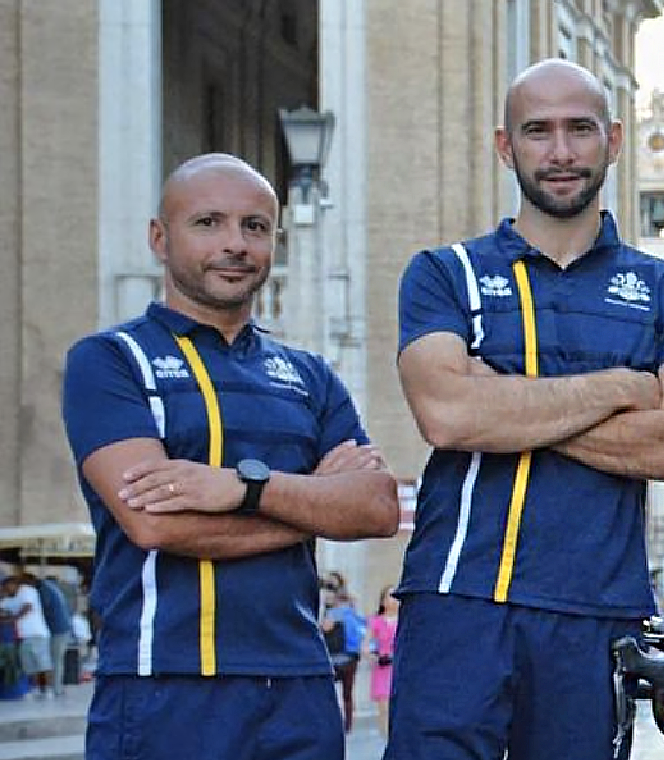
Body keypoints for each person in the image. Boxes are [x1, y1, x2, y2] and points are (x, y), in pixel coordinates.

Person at [387, 57, 664, 760]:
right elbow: (448, 416)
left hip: (596, 613)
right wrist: (623, 386)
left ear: (615, 140)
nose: (561, 151)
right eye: (538, 131)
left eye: (581, 129)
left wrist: (502, 400)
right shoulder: (446, 273)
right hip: (457, 599)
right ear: (506, 146)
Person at [60, 153, 399, 759]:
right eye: (208, 223)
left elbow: (375, 509)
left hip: (299, 686)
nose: (235, 244)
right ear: (159, 238)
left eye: (255, 226)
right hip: (162, 683)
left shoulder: (308, 376)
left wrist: (245, 489)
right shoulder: (110, 361)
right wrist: (312, 502)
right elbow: (152, 521)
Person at [319, 587, 367, 731]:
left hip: (334, 658)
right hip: (350, 657)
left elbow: (324, 628)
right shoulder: (354, 615)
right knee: (348, 692)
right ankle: (348, 724)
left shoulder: (332, 614)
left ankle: (333, 722)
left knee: (329, 692)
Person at [0, 576, 52, 700]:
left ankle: (47, 689)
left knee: (42, 664)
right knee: (28, 664)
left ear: (13, 584)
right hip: (24, 636)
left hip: (36, 633)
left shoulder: (27, 590)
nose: (7, 591)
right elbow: (4, 606)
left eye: (8, 588)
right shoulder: (15, 598)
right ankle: (34, 689)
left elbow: (27, 607)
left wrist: (13, 619)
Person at [30, 574, 75, 696]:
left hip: (57, 629)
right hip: (62, 628)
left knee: (56, 660)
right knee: (57, 660)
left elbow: (44, 608)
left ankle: (57, 689)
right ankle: (57, 688)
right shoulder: (50, 587)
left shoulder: (44, 590)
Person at [368, 586, 400, 737]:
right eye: (389, 596)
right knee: (384, 709)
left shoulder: (404, 621)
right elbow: (366, 645)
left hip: (400, 668)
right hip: (383, 669)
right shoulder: (376, 621)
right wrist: (375, 657)